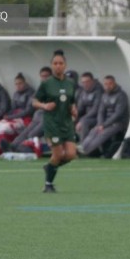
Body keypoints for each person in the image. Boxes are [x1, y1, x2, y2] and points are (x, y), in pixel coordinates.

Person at [32, 49, 78, 193]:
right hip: (52, 124)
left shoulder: (70, 83)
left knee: (71, 154)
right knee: (58, 154)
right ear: (52, 65)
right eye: (55, 63)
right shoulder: (47, 84)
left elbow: (72, 101)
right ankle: (48, 184)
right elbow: (34, 101)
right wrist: (44, 105)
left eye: (61, 63)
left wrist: (73, 109)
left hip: (66, 123)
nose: (58, 66)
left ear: (65, 65)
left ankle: (50, 167)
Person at [0, 67, 52, 156]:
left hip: (50, 117)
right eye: (42, 76)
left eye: (46, 76)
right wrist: (43, 105)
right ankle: (12, 146)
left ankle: (26, 149)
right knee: (25, 132)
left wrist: (42, 105)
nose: (44, 78)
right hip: (39, 115)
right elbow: (34, 102)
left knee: (32, 133)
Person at [79, 75, 129, 157]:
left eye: (110, 84)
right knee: (93, 131)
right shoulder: (104, 95)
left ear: (114, 83)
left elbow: (118, 114)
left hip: (118, 123)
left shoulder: (121, 95)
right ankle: (81, 147)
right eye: (105, 84)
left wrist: (104, 125)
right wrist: (100, 124)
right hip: (105, 122)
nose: (108, 86)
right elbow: (101, 112)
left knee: (102, 134)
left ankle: (85, 152)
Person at [0, 72, 35, 154]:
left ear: (25, 83)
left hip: (26, 118)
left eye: (20, 83)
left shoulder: (31, 92)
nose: (18, 86)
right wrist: (7, 116)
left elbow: (28, 111)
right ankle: (0, 149)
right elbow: (13, 109)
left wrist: (11, 117)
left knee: (6, 127)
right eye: (16, 84)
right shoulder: (16, 94)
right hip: (15, 117)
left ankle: (9, 147)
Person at [75, 72, 103, 143]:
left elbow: (95, 110)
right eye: (83, 82)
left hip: (97, 118)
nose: (85, 84)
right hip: (87, 116)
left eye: (87, 82)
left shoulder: (99, 91)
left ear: (92, 81)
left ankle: (83, 146)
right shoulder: (83, 91)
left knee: (84, 123)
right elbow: (80, 108)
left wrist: (81, 120)